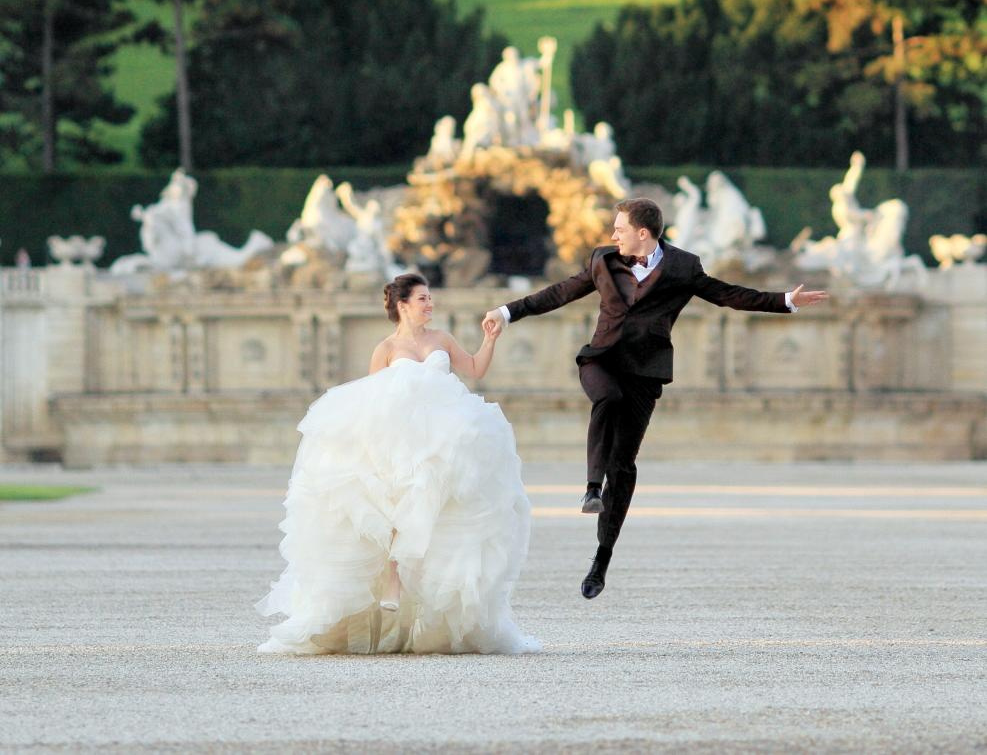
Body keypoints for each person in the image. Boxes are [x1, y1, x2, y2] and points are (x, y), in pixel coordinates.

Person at [483, 198, 828, 600]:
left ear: (642, 233)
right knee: (607, 398)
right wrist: (507, 312)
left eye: (619, 229)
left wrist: (786, 300)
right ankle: (592, 488)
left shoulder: (683, 267)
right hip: (601, 360)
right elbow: (559, 293)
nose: (613, 235)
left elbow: (728, 295)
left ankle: (601, 560)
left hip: (645, 373)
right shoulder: (602, 260)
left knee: (624, 466)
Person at [257, 273, 538, 655]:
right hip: (399, 439)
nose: (429, 304)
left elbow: (473, 370)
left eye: (429, 298)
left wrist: (490, 339)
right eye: (422, 299)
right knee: (394, 505)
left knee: (444, 514)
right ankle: (392, 577)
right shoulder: (386, 348)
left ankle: (433, 613)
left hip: (441, 437)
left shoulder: (442, 340)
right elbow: (372, 401)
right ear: (402, 305)